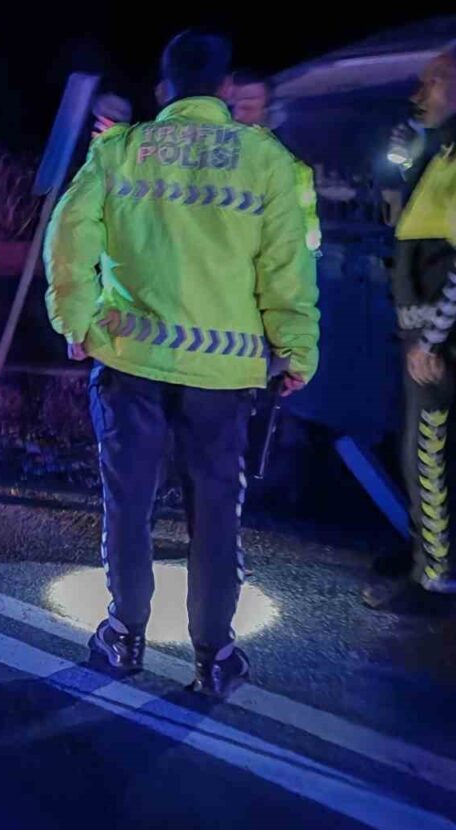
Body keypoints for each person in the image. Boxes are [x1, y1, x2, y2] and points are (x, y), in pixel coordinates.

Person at [44, 30, 319, 700]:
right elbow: (287, 267)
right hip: (224, 379)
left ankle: (123, 637)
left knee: (128, 505)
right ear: (224, 88)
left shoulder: (120, 150)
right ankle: (214, 656)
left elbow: (68, 236)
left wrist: (76, 322)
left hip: (129, 365)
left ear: (164, 89)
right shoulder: (266, 160)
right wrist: (295, 348)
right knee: (216, 514)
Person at [362, 48, 456, 615]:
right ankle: (428, 555)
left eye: (435, 81)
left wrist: (433, 339)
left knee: (430, 453)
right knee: (425, 450)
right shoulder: (438, 150)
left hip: (438, 342)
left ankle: (436, 579)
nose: (420, 93)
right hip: (428, 335)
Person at [229, 69, 321, 254]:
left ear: (266, 110)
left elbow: (304, 218)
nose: (237, 114)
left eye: (248, 106)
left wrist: (308, 252)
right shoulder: (203, 151)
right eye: (231, 106)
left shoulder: (287, 160)